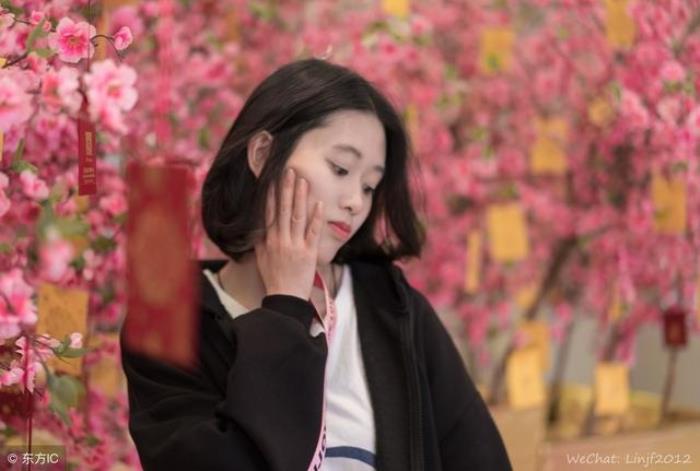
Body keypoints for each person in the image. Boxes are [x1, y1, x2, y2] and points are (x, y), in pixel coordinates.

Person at [120, 58, 511, 471]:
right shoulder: (166, 315)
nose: (356, 202)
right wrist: (285, 305)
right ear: (263, 154)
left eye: (369, 186)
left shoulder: (392, 307)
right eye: (340, 168)